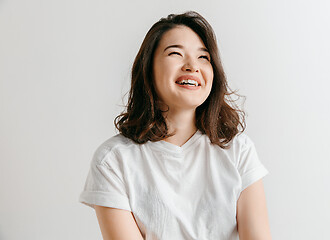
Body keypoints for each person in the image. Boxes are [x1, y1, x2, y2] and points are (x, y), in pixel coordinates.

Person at [79, 11, 272, 240]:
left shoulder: (238, 150)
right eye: (176, 53)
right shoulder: (113, 160)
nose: (192, 66)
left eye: (204, 57)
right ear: (148, 69)